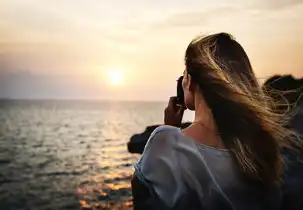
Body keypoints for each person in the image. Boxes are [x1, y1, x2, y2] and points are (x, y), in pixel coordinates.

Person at [131, 32, 302, 210]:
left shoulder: (165, 140)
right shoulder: (261, 147)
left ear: (190, 82)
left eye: (184, 75)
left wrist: (169, 128)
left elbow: (141, 194)